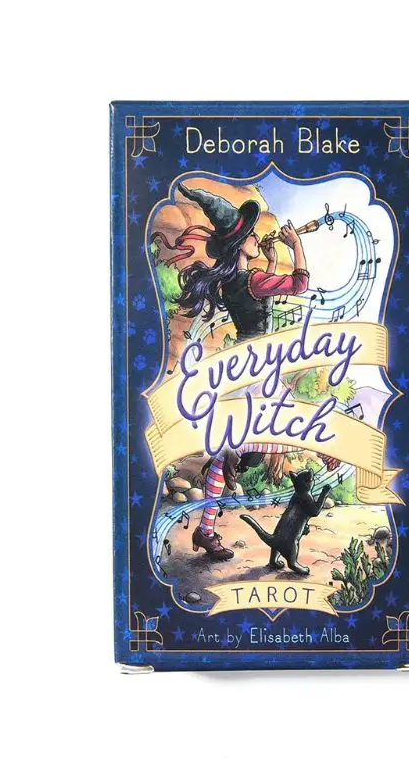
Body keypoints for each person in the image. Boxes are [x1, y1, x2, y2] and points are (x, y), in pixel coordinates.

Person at [151, 183, 338, 561]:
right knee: (284, 424)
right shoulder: (250, 281)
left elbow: (261, 303)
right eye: (251, 235)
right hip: (256, 372)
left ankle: (206, 530)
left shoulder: (239, 281)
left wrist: (270, 260)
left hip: (249, 366)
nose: (257, 238)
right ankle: (327, 454)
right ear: (240, 246)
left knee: (233, 453)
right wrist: (294, 245)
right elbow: (300, 283)